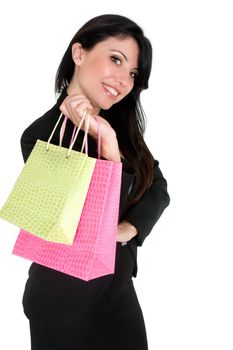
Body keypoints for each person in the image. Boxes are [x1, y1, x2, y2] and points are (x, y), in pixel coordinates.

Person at [20, 14, 170, 350]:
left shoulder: (121, 127)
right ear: (79, 53)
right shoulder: (40, 137)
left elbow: (158, 188)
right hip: (64, 301)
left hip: (117, 294)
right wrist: (110, 153)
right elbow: (87, 227)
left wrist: (130, 228)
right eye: (116, 59)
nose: (123, 80)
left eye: (132, 73)